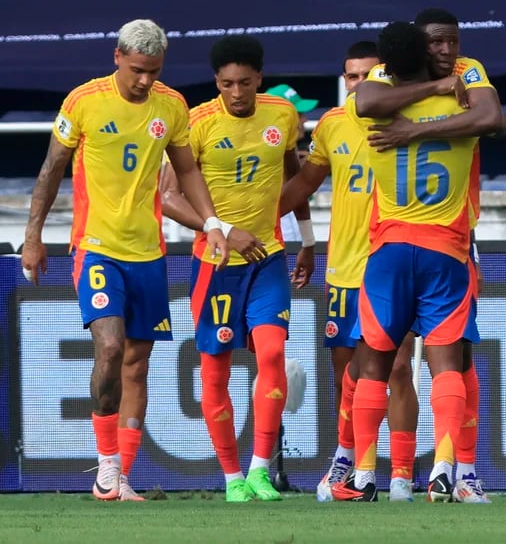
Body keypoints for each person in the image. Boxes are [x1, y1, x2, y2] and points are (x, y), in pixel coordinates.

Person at [21, 19, 229, 501]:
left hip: (148, 253)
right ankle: (105, 466)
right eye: (137, 70)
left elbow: (186, 169)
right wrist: (33, 237)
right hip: (96, 247)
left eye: (153, 72)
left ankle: (120, 477)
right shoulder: (83, 101)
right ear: (117, 56)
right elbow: (51, 169)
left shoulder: (172, 105)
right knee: (110, 348)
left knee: (136, 364)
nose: (144, 81)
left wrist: (212, 223)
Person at [356, 7, 506, 504]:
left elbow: (367, 102)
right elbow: (489, 118)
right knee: (445, 358)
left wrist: (409, 130)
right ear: (421, 48)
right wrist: (440, 97)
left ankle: (375, 474)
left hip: (403, 243)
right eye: (437, 44)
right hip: (445, 243)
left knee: (405, 360)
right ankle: (444, 470)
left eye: (453, 43)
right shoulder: (447, 85)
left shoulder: (457, 73)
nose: (448, 52)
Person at [163, 35, 309, 502]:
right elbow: (168, 197)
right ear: (217, 83)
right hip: (216, 263)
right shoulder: (197, 122)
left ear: (260, 79)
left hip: (268, 256)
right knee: (216, 372)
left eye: (245, 82)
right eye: (227, 84)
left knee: (271, 354)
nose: (238, 93)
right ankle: (231, 478)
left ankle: (261, 469)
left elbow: (295, 176)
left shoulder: (282, 115)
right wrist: (222, 228)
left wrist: (308, 240)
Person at [277, 40, 423, 503]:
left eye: (367, 75)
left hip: (395, 263)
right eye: (351, 76)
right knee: (350, 377)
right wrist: (255, 218)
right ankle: (352, 464)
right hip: (343, 269)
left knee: (397, 368)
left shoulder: (411, 119)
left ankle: (400, 474)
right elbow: (304, 182)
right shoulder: (332, 126)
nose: (358, 84)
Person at [264, 83, 320, 243]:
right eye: (298, 114)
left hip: (293, 225)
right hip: (271, 231)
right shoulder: (262, 154)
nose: (305, 119)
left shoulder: (292, 152)